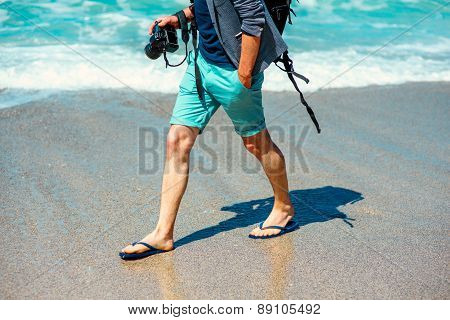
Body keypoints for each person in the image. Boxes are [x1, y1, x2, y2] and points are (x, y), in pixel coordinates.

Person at [120, 0, 298, 259]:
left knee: (255, 143)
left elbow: (253, 18)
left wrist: (245, 75)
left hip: (234, 73)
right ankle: (162, 234)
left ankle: (283, 208)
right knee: (176, 140)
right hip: (200, 66)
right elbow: (208, 6)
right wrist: (179, 17)